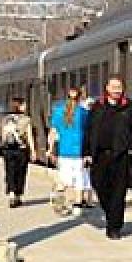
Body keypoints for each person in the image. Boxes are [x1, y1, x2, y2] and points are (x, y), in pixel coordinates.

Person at [83, 76, 132, 239]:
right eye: (114, 87)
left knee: (118, 192)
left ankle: (114, 227)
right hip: (99, 156)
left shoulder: (129, 107)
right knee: (99, 186)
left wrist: (128, 144)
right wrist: (86, 152)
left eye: (120, 87)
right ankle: (111, 213)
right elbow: (88, 131)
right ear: (107, 88)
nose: (117, 90)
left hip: (119, 156)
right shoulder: (97, 107)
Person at [48, 87, 91, 216]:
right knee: (79, 179)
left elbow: (53, 133)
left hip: (63, 152)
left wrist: (50, 150)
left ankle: (58, 200)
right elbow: (88, 134)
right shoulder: (84, 113)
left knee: (63, 180)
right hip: (78, 152)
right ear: (79, 98)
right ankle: (77, 207)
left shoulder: (58, 112)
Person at [0, 97, 36, 207]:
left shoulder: (5, 119)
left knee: (10, 172)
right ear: (19, 106)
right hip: (21, 149)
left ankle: (11, 195)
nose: (25, 107)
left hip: (8, 150)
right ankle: (18, 196)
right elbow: (29, 136)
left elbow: (3, 136)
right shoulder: (26, 119)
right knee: (21, 173)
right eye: (24, 105)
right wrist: (33, 151)